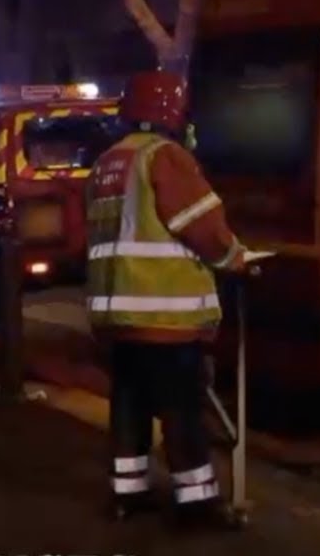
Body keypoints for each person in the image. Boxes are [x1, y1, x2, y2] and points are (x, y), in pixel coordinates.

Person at [84, 69, 247, 529]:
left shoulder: (106, 164)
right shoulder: (165, 158)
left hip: (115, 315)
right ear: (172, 113)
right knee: (181, 408)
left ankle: (127, 493)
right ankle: (196, 504)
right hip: (164, 314)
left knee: (130, 403)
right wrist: (235, 258)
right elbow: (203, 226)